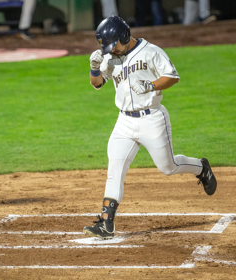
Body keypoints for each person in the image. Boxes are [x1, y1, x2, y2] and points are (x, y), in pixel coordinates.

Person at [83, 16, 217, 239]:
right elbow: (97, 84)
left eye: (112, 44)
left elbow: (172, 77)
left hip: (152, 119)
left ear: (123, 36)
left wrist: (150, 85)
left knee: (168, 166)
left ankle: (201, 168)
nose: (110, 50)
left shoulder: (151, 52)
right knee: (115, 168)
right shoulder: (110, 57)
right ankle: (106, 224)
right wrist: (95, 68)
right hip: (124, 122)